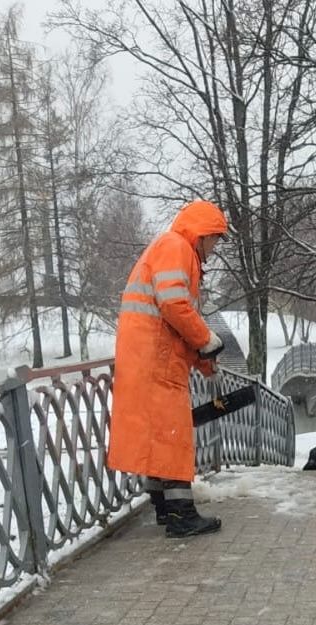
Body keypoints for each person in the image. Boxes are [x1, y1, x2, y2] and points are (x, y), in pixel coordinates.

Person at [107, 199, 228, 538]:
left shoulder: (168, 248)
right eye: (215, 240)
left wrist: (203, 359)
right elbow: (173, 304)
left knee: (159, 434)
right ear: (202, 234)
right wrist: (206, 341)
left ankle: (163, 506)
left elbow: (171, 317)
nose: (215, 249)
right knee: (174, 434)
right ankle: (180, 515)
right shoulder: (177, 247)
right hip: (156, 358)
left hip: (146, 354)